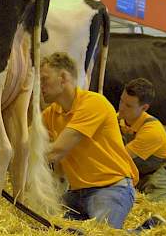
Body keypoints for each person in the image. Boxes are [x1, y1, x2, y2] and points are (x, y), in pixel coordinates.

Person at [40, 52, 139, 229]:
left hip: (111, 188)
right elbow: (29, 139)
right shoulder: (51, 113)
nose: (40, 86)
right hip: (77, 193)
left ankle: (147, 230)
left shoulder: (93, 103)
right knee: (47, 226)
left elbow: (56, 151)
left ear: (63, 78)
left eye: (44, 79)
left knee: (101, 233)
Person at [118, 78, 166, 201]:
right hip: (139, 172)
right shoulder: (118, 120)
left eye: (128, 106)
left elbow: (119, 158)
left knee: (157, 207)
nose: (121, 108)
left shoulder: (152, 130)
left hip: (162, 172)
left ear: (144, 108)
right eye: (121, 101)